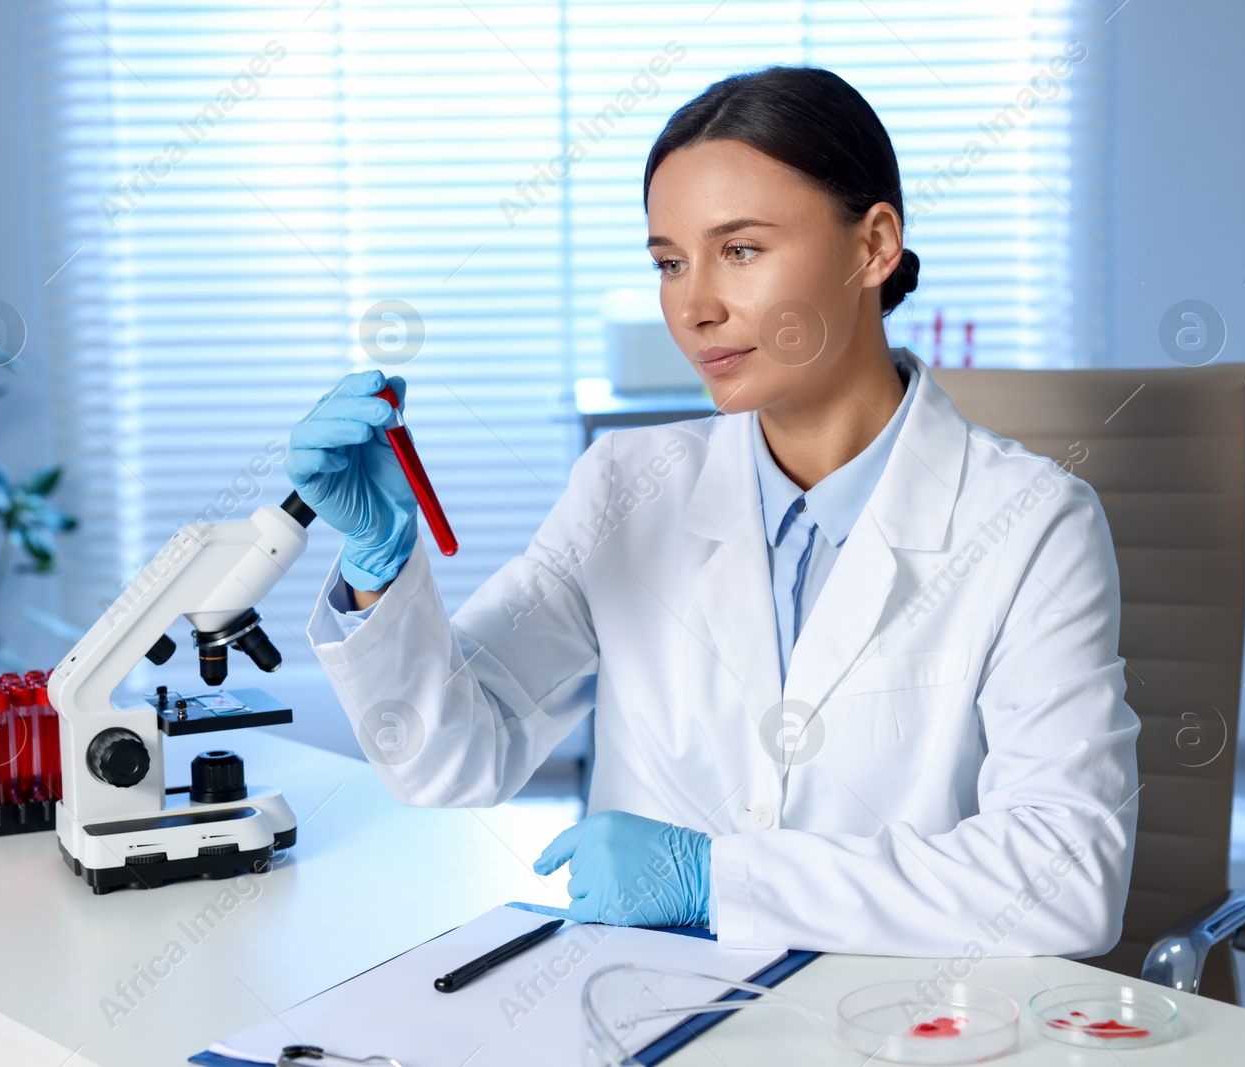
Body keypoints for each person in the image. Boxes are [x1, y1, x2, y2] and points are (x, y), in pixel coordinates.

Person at [286, 65, 1139, 956]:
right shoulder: (626, 486)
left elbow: (1065, 877)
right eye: (669, 262)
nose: (693, 308)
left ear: (873, 245)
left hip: (899, 1026)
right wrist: (379, 573)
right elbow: (455, 755)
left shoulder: (1033, 523)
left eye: (740, 250)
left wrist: (715, 879)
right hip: (647, 1012)